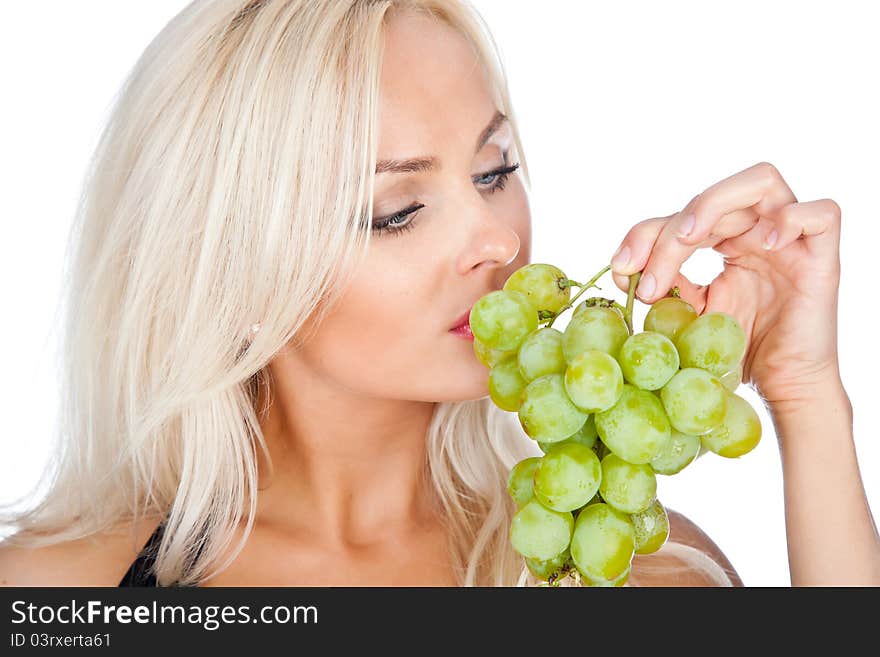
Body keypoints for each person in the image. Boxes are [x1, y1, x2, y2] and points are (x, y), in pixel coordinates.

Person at [0, 0, 877, 588]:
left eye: (496, 171)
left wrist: (809, 400)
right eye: (398, 211)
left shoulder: (636, 566)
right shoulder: (57, 590)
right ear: (234, 270)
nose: (498, 240)